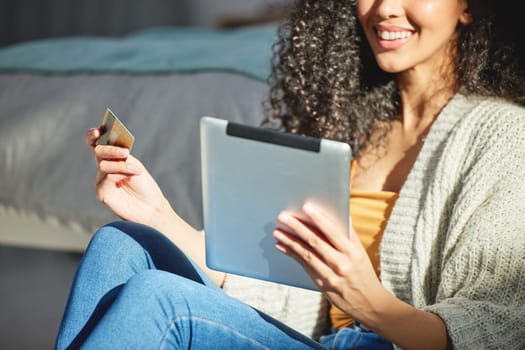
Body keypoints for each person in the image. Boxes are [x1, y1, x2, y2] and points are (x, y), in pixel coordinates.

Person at [55, 0, 525, 349]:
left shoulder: (505, 133)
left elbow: (498, 327)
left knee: (158, 299)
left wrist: (371, 303)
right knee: (121, 241)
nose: (384, 9)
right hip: (316, 340)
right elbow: (275, 289)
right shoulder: (352, 129)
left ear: (468, 7)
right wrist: (156, 214)